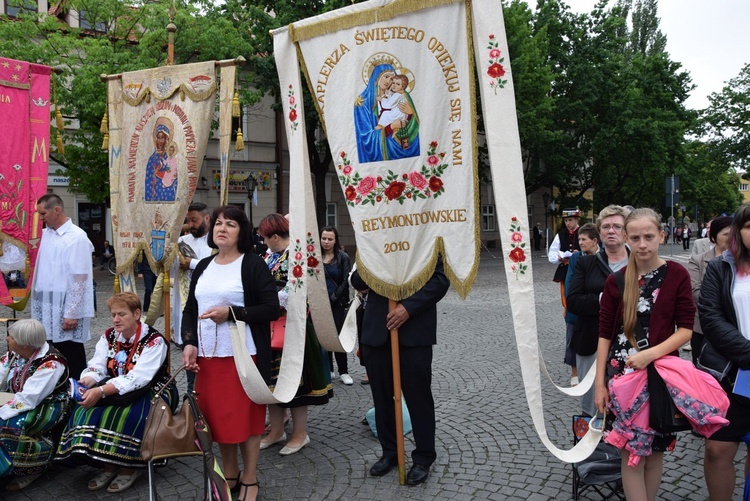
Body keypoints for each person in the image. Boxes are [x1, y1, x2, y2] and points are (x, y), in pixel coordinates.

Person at [594, 208, 694, 501]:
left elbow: (686, 329)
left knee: (655, 453)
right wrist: (599, 383)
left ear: (661, 236)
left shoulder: (677, 274)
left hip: (660, 375)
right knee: (630, 454)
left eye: (649, 236)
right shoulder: (618, 280)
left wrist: (650, 355)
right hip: (622, 377)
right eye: (635, 237)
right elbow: (604, 334)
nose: (642, 244)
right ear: (625, 238)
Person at [182, 205, 279, 501]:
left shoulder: (252, 265)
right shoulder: (203, 266)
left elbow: (271, 308)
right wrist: (189, 342)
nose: (222, 228)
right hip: (209, 359)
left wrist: (232, 313)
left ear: (242, 232)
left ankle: (250, 478)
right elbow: (190, 310)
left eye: (231, 224)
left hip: (243, 356)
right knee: (218, 420)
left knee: (247, 419)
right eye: (219, 223)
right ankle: (231, 472)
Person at [56, 292, 175, 493]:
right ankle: (108, 464)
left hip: (153, 389)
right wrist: (87, 381)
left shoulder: (154, 341)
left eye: (122, 314)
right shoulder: (109, 335)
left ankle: (129, 467)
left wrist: (101, 391)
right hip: (114, 387)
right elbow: (98, 365)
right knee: (86, 411)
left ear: (137, 314)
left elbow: (139, 378)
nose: (116, 319)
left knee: (128, 415)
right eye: (113, 315)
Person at [351, 259, 449, 486]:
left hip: (414, 331)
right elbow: (357, 281)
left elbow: (440, 280)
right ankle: (390, 452)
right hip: (377, 330)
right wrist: (375, 263)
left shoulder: (425, 237)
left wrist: (408, 308)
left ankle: (424, 457)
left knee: (419, 398)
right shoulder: (373, 241)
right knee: (382, 398)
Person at [257, 213, 332, 456]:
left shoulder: (298, 255)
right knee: (272, 383)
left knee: (298, 384)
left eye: (265, 238)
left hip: (294, 326)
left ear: (275, 236)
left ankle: (300, 434)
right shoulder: (270, 256)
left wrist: (265, 298)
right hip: (269, 326)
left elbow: (296, 292)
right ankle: (277, 430)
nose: (263, 242)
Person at [697, 204, 750, 501]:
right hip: (732, 374)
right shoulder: (721, 267)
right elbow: (711, 317)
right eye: (749, 226)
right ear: (738, 232)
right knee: (718, 450)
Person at [567, 206, 630, 416]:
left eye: (617, 226)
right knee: (593, 406)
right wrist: (605, 299)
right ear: (600, 232)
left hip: (632, 343)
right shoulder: (586, 263)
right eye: (606, 227)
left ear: (627, 231)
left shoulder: (639, 262)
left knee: (628, 404)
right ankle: (592, 446)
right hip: (590, 340)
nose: (611, 231)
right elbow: (573, 301)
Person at [0, 319, 69, 491]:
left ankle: (31, 468)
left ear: (25, 344)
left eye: (11, 337)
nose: (6, 339)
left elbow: (29, 398)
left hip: (48, 405)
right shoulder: (14, 354)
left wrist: (2, 413)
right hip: (18, 398)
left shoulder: (51, 363)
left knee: (9, 425)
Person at [31, 194, 94, 381]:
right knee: (49, 352)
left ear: (56, 210)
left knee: (71, 352)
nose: (41, 218)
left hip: (65, 306)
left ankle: (77, 392)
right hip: (47, 305)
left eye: (43, 213)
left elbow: (80, 277)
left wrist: (72, 312)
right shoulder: (46, 234)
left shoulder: (76, 237)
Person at [354, 62, 420, 163]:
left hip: (400, 148)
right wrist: (391, 127)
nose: (389, 81)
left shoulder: (399, 94)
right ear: (377, 77)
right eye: (386, 76)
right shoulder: (363, 103)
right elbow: (365, 138)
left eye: (391, 79)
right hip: (381, 154)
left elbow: (414, 126)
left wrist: (410, 113)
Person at [688, 216, 732, 363]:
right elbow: (695, 292)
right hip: (703, 327)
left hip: (734, 328)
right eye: (726, 234)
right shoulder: (698, 260)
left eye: (734, 234)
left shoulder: (741, 261)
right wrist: (729, 301)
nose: (731, 238)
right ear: (713, 237)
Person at [563, 222, 601, 394]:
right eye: (579, 239)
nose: (580, 242)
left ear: (594, 241)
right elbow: (570, 284)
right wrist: (568, 304)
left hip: (598, 315)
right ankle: (575, 372)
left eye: (584, 239)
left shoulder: (605, 258)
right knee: (574, 340)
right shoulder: (576, 258)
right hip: (578, 312)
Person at [548, 208, 581, 385]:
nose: (568, 223)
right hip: (566, 270)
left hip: (582, 271)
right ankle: (567, 310)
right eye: (566, 221)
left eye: (571, 220)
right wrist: (562, 256)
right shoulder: (560, 235)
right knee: (568, 303)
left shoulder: (585, 232)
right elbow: (551, 255)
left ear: (577, 219)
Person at [320, 226, 353, 385]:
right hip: (319, 303)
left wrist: (333, 298)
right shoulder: (315, 257)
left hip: (337, 302)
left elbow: (346, 280)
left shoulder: (342, 257)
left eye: (330, 239)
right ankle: (329, 369)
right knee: (324, 335)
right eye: (324, 238)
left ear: (335, 240)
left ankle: (344, 371)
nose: (326, 242)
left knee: (338, 335)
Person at [144, 116, 177, 202]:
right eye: (158, 137)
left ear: (167, 139)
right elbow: (149, 177)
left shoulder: (170, 157)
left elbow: (172, 172)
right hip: (155, 194)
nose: (160, 141)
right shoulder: (152, 158)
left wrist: (162, 172)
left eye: (162, 137)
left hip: (167, 192)